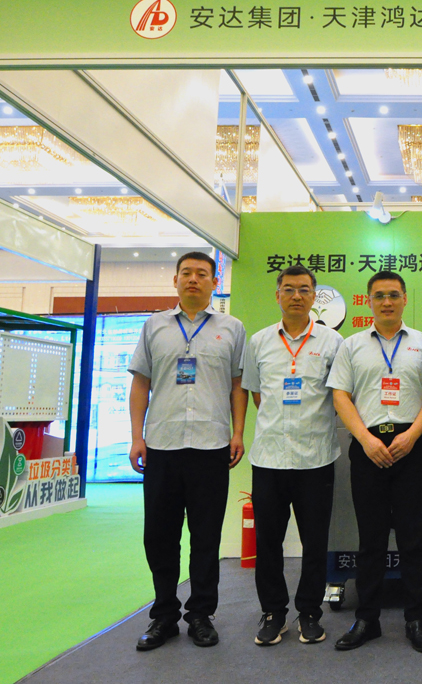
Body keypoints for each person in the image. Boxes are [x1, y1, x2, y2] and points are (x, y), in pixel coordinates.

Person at [128, 251, 247, 651]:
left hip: (211, 446)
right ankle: (164, 615)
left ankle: (200, 615)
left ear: (215, 282)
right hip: (162, 445)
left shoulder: (232, 328)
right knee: (159, 536)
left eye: (202, 274)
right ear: (175, 280)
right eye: (186, 273)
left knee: (206, 536)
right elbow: (141, 384)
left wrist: (238, 432)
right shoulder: (154, 326)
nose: (194, 279)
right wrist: (137, 436)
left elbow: (238, 386)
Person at [327, 271, 422, 653]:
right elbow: (341, 395)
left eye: (394, 295)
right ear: (369, 301)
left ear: (405, 299)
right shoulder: (351, 346)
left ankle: (416, 619)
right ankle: (367, 620)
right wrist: (365, 439)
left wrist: (412, 436)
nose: (387, 302)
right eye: (379, 296)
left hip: (412, 446)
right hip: (368, 447)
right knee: (371, 539)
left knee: (413, 539)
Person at [241, 264, 344, 646]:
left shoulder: (332, 342)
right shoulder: (259, 341)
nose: (296, 296)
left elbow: (339, 394)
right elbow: (257, 394)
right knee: (268, 542)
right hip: (269, 458)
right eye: (288, 289)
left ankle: (310, 612)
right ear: (277, 295)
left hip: (316, 458)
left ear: (314, 296)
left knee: (315, 541)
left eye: (303, 289)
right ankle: (273, 613)